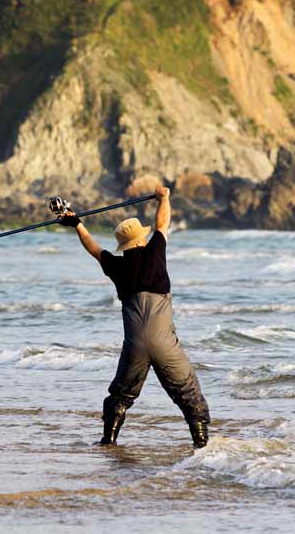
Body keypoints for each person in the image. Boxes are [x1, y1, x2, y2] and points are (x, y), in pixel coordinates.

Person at [58, 186, 210, 448]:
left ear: (124, 246)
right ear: (141, 239)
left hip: (135, 345)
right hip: (165, 344)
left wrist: (77, 225)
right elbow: (162, 222)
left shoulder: (116, 266)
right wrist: (164, 198)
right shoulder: (155, 252)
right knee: (188, 392)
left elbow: (94, 249)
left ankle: (108, 440)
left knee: (121, 394)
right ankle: (202, 445)